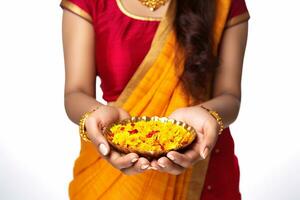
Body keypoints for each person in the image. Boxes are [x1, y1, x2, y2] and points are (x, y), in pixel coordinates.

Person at [60, 0, 250, 199]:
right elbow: (76, 91)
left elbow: (230, 96)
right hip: (111, 168)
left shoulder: (223, 3)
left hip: (202, 167)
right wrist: (94, 115)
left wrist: (207, 114)